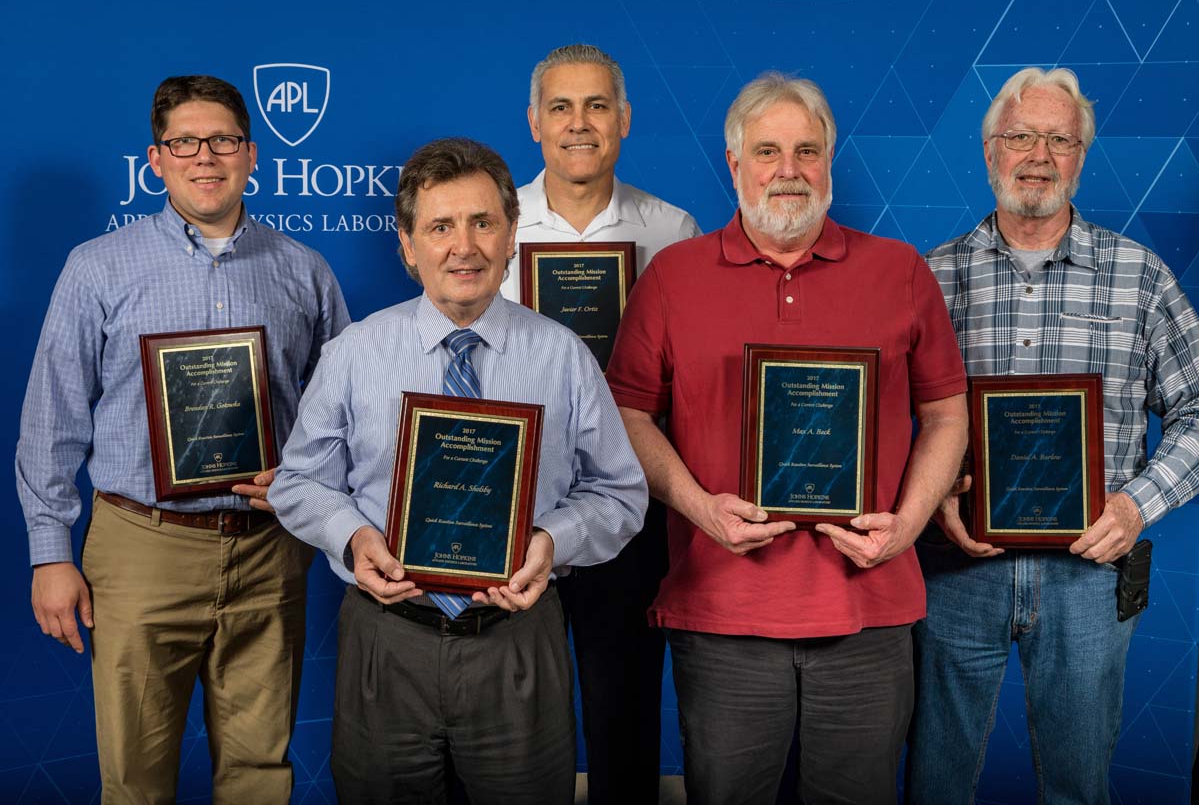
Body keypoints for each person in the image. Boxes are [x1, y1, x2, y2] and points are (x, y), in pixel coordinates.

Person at [605, 71, 970, 804]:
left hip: (869, 607)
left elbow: (946, 412)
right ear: (734, 164)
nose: (789, 170)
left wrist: (907, 526)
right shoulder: (673, 277)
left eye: (808, 150)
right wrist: (700, 507)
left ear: (830, 160)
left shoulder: (899, 272)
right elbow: (626, 413)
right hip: (722, 612)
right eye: (767, 151)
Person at [268, 137, 647, 804]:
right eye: (440, 226)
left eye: (482, 223)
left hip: (517, 643)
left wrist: (553, 539)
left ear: (511, 237)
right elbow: (299, 483)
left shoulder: (562, 357)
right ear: (408, 246)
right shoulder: (354, 353)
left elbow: (621, 493)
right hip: (389, 642)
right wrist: (356, 539)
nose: (463, 246)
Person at [16, 75, 350, 802]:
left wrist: (302, 478)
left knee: (261, 771)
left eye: (224, 140)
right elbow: (53, 417)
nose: (206, 156)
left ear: (252, 154)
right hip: (141, 549)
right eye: (184, 142)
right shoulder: (97, 267)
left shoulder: (305, 272)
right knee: (135, 777)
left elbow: (344, 418)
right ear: (155, 158)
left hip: (269, 550)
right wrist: (49, 552)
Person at [906, 66, 1199, 805]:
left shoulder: (1140, 276)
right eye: (1020, 136)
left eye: (1059, 139)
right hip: (954, 570)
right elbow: (884, 425)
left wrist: (1135, 506)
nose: (1038, 155)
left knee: (1078, 786)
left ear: (1081, 155)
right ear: (988, 152)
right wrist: (934, 493)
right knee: (934, 783)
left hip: (1090, 574)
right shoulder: (926, 277)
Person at [507, 42, 699, 803]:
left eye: (596, 106)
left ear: (624, 119)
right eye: (560, 106)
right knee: (517, 717)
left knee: (624, 710)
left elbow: (686, 376)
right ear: (533, 122)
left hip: (627, 503)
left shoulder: (671, 229)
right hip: (516, 502)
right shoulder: (496, 222)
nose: (578, 124)